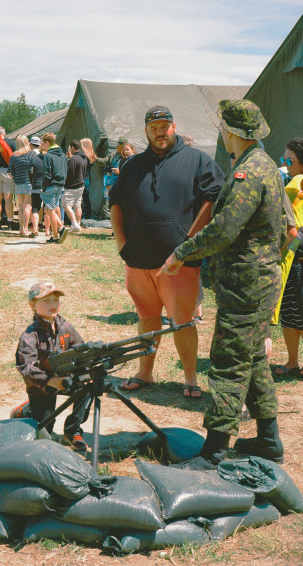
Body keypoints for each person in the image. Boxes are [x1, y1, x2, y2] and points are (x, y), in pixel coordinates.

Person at [159, 100, 285, 468]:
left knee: (229, 362)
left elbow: (226, 228)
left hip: (247, 284)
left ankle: (213, 451)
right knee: (254, 360)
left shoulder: (250, 172)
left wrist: (181, 252)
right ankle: (269, 441)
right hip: (257, 280)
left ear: (230, 131)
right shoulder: (262, 165)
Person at [110, 105, 224, 397]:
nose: (160, 132)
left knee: (182, 322)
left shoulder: (198, 161)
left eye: (165, 126)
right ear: (146, 131)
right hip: (138, 261)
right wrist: (121, 243)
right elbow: (116, 202)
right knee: (146, 317)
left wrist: (189, 244)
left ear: (174, 127)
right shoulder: (132, 165)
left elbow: (213, 199)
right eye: (154, 127)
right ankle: (144, 373)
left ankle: (190, 380)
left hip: (179, 262)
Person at [15, 280, 91, 451]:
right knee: (45, 434)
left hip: (65, 378)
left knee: (89, 386)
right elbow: (25, 367)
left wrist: (85, 372)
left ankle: (72, 431)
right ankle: (27, 410)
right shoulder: (30, 335)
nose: (53, 305)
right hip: (41, 386)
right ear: (32, 305)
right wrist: (50, 381)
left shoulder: (66, 327)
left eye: (56, 300)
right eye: (46, 301)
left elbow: (80, 352)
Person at [274, 135, 303, 378]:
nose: (284, 163)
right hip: (290, 262)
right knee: (290, 313)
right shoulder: (289, 186)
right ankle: (293, 361)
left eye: (289, 160)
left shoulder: (296, 187)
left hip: (299, 259)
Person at [41, 133, 69, 244]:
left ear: (48, 143)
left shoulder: (48, 156)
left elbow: (47, 174)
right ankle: (57, 233)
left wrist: (43, 187)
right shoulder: (62, 154)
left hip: (51, 185)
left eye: (43, 144)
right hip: (60, 185)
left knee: (50, 210)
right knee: (49, 209)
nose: (43, 147)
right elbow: (65, 170)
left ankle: (59, 231)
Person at [61, 140, 88, 233]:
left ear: (72, 147)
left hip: (72, 186)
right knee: (77, 205)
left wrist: (66, 183)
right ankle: (78, 224)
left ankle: (74, 224)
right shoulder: (84, 158)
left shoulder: (74, 159)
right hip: (81, 185)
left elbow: (70, 173)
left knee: (65, 204)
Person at [8, 135, 32, 236]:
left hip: (18, 182)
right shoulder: (30, 154)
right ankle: (26, 229)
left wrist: (16, 177)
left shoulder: (14, 155)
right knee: (27, 206)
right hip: (28, 182)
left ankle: (21, 228)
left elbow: (10, 171)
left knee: (21, 206)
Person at [28, 136, 44, 237]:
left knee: (35, 207)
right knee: (47, 207)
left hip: (36, 184)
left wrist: (31, 181)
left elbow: (29, 171)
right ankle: (46, 228)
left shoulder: (32, 156)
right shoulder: (48, 157)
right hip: (46, 185)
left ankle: (34, 228)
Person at [80, 138, 96, 219]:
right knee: (86, 197)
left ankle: (85, 215)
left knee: (81, 198)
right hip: (87, 177)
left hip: (83, 177)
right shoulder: (91, 155)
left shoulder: (84, 156)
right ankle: (87, 214)